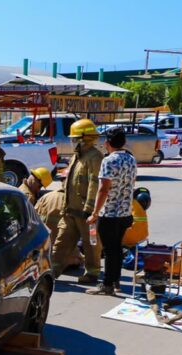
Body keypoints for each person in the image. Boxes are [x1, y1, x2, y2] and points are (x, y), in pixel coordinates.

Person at [51, 118, 103, 284]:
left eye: (74, 139)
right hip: (70, 210)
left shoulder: (95, 157)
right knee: (61, 241)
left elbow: (95, 184)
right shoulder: (76, 156)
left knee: (91, 243)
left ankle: (92, 272)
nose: (72, 142)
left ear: (84, 139)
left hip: (86, 213)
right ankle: (52, 270)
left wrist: (90, 209)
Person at [86, 126, 137, 295]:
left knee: (109, 250)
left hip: (109, 214)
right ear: (124, 142)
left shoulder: (109, 160)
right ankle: (115, 281)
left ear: (107, 143)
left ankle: (107, 284)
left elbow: (103, 189)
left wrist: (94, 213)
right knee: (116, 248)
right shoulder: (131, 159)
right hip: (125, 213)